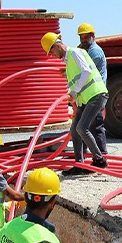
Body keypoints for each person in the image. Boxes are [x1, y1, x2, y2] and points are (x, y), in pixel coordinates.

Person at [41, 32, 108, 172]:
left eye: (51, 51)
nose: (51, 55)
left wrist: (75, 91)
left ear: (58, 46)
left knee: (82, 128)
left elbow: (86, 72)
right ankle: (79, 165)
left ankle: (99, 159)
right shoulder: (68, 62)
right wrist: (74, 100)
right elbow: (74, 83)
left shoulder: (75, 53)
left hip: (96, 94)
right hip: (85, 99)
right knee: (74, 129)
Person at [77, 23, 109, 156]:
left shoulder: (94, 52)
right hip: (89, 94)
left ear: (93, 36)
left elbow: (84, 70)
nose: (83, 40)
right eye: (81, 37)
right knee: (85, 124)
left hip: (96, 93)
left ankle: (101, 153)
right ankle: (86, 152)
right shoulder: (86, 50)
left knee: (95, 124)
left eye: (86, 37)